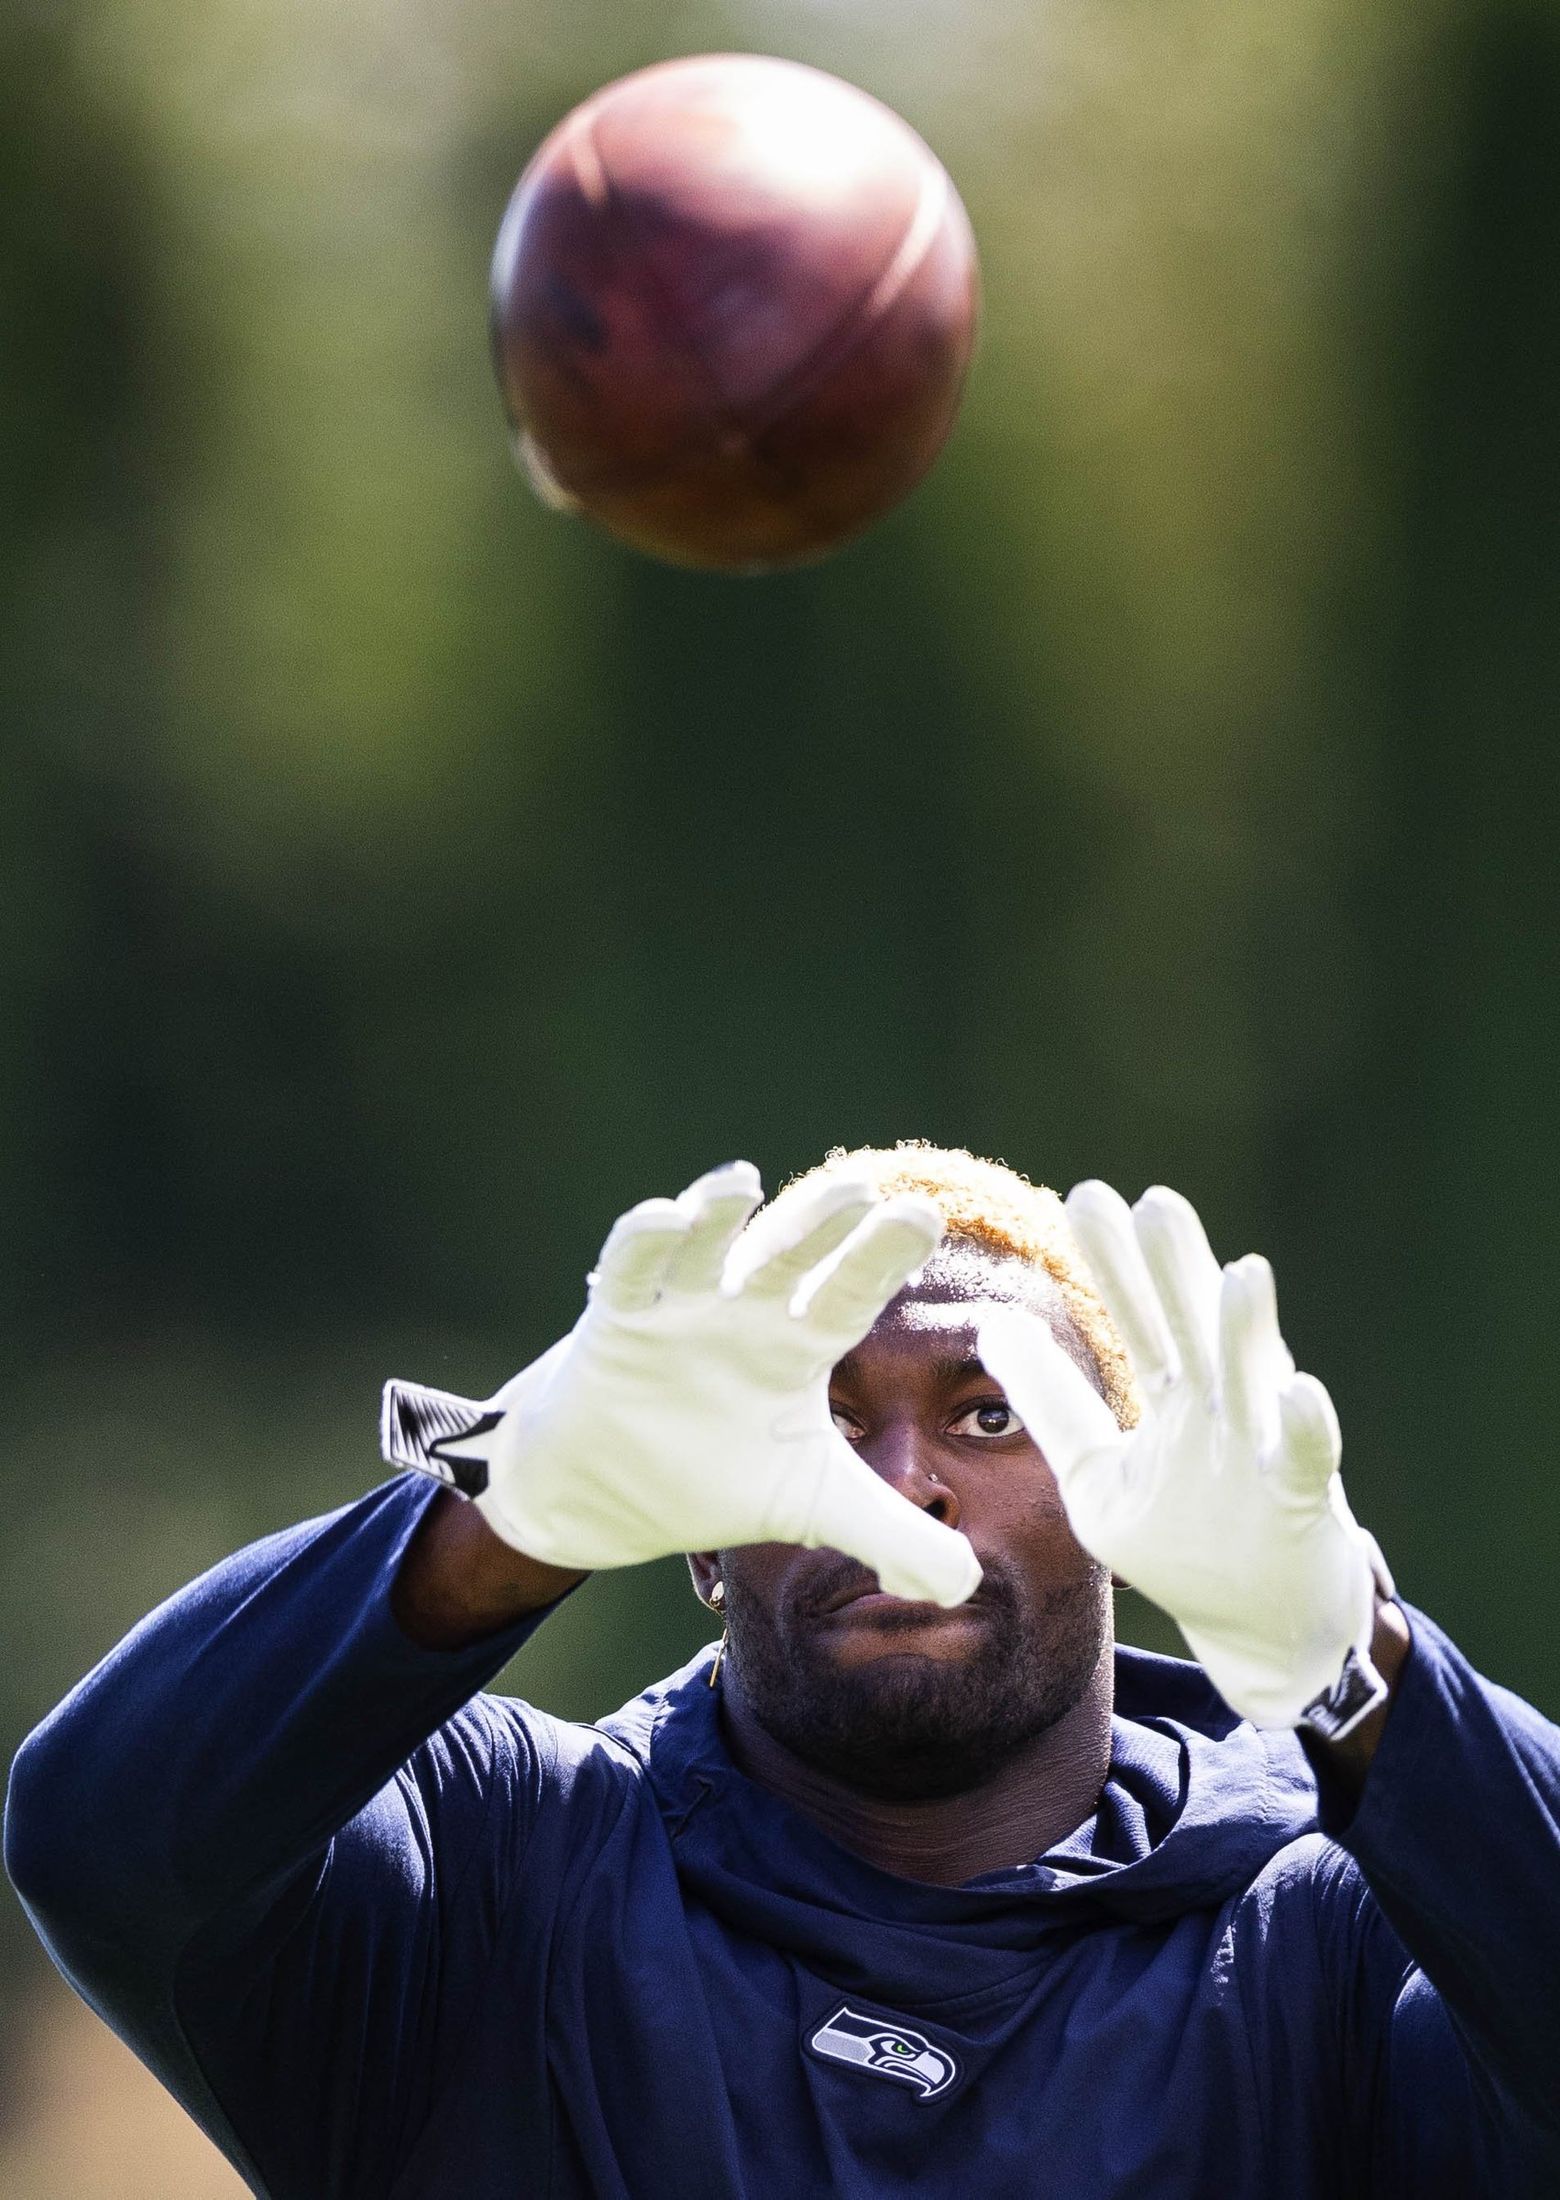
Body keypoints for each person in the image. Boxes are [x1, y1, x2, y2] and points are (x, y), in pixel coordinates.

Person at [5, 1143, 1558, 2198]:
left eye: (991, 1413)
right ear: (686, 1523)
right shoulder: (507, 1874)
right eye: (821, 1414)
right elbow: (105, 1840)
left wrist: (1360, 1671)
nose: (905, 1480)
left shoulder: (1325, 1936)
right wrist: (506, 1516)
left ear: (1127, 1503)